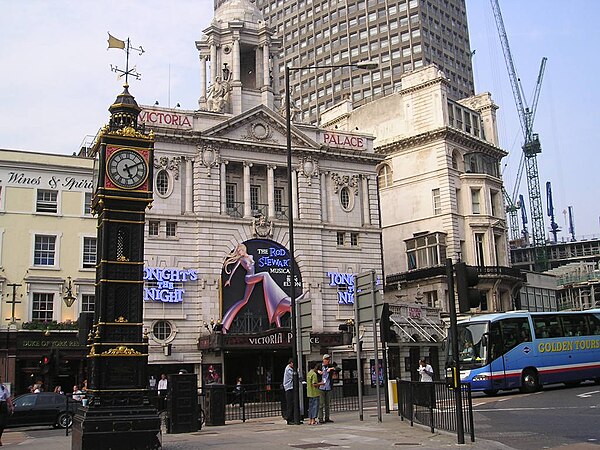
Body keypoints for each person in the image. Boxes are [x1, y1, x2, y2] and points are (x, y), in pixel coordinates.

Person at [221, 243, 308, 332]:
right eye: (238, 251)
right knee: (265, 275)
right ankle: (283, 299)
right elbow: (234, 269)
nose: (239, 252)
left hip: (254, 278)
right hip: (249, 278)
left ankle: (225, 325)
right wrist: (229, 280)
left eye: (240, 250)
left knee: (244, 300)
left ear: (244, 249)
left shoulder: (250, 256)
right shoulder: (241, 260)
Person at [318, 354, 335, 424]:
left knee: (327, 404)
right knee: (321, 404)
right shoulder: (319, 366)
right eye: (326, 360)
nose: (328, 361)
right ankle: (320, 418)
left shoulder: (330, 366)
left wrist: (331, 369)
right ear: (323, 360)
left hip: (328, 387)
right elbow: (313, 369)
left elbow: (338, 368)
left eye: (328, 360)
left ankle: (327, 417)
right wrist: (318, 371)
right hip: (321, 387)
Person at [0, 377, 14, 447]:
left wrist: (11, 406)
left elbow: (8, 397)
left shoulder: (3, 387)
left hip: (2, 404)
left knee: (2, 424)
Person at [283, 358, 295, 425]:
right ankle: (289, 419)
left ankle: (293, 418)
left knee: (293, 404)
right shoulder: (288, 369)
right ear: (290, 363)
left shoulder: (291, 369)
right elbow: (293, 376)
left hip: (292, 387)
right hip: (289, 388)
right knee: (290, 404)